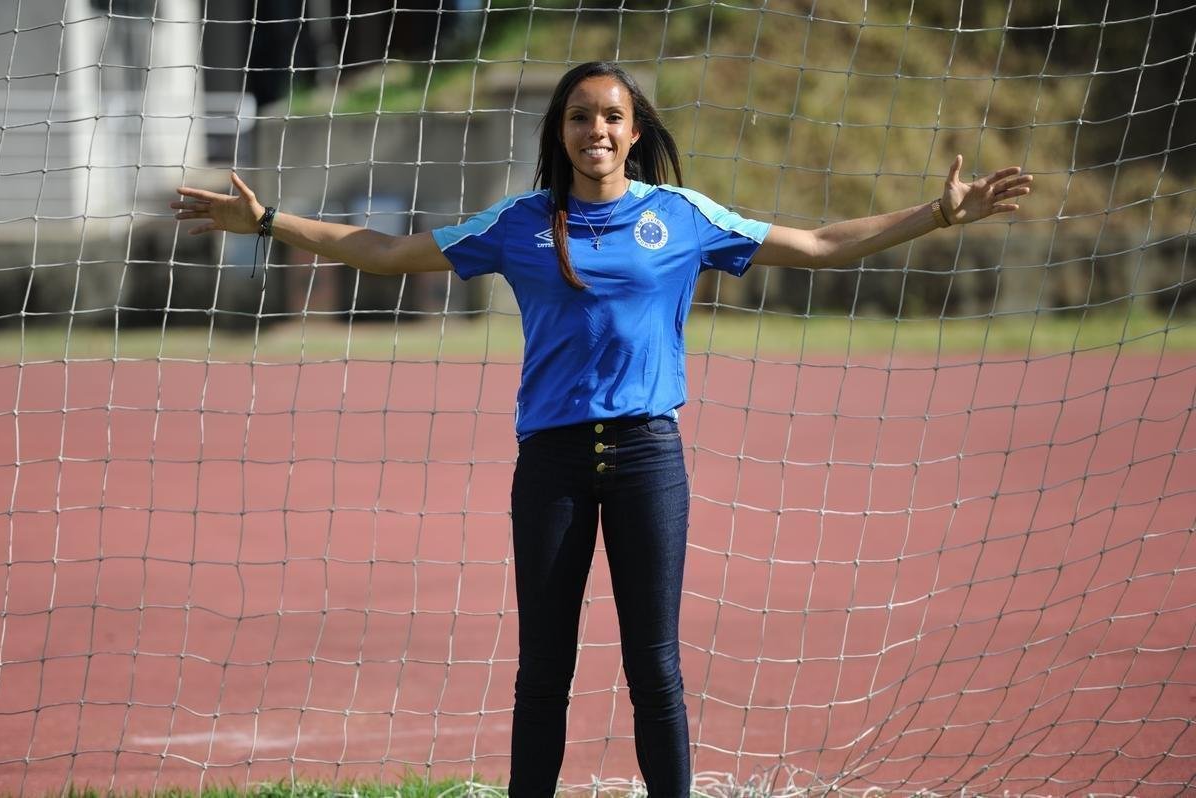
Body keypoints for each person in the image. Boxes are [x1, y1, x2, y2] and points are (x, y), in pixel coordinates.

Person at [172, 61, 1032, 797]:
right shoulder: (516, 224)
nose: (597, 129)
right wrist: (270, 222)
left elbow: (813, 243)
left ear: (632, 131)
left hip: (647, 460)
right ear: (562, 131)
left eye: (612, 117)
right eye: (581, 116)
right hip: (548, 466)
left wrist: (938, 214)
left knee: (654, 669)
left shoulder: (682, 217)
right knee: (543, 675)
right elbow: (390, 252)